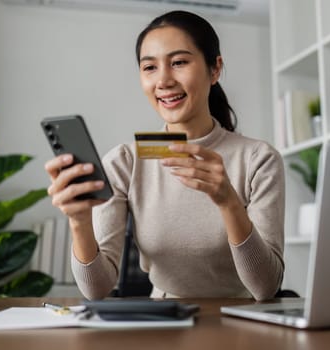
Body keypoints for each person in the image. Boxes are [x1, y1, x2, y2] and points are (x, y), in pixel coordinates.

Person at [45, 10, 285, 301]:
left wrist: (229, 203)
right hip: (163, 321)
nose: (164, 80)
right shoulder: (125, 162)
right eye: (150, 68)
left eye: (179, 62)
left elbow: (266, 287)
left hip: (243, 320)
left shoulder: (259, 159)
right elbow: (97, 290)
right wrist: (79, 222)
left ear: (215, 69)